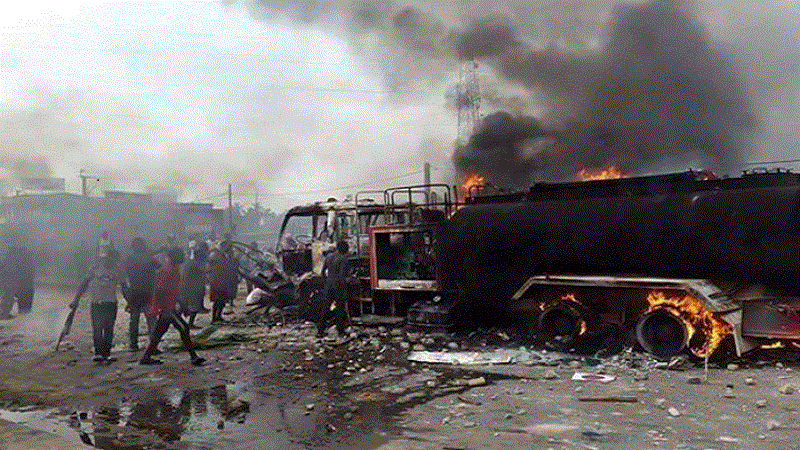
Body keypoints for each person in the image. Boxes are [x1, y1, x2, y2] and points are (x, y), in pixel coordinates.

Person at [140, 247, 204, 366]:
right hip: (168, 308)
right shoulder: (169, 270)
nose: (183, 257)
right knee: (184, 328)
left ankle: (146, 357)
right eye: (180, 255)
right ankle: (193, 357)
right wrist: (165, 308)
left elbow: (171, 291)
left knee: (160, 332)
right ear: (174, 257)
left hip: (168, 307)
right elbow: (161, 290)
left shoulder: (171, 269)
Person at [72, 249, 126, 365]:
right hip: (98, 303)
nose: (113, 262)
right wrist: (75, 300)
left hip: (109, 303)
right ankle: (99, 353)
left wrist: (130, 302)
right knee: (99, 328)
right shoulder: (95, 269)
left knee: (107, 329)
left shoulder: (117, 270)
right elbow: (84, 284)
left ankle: (105, 353)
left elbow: (124, 287)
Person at [123, 237, 159, 351]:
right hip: (148, 292)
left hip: (134, 293)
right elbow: (159, 267)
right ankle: (153, 345)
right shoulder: (149, 258)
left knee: (134, 319)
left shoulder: (129, 259)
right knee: (151, 319)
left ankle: (133, 344)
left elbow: (125, 276)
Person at [317, 240, 351, 337]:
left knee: (325, 307)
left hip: (329, 285)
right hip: (338, 286)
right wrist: (347, 282)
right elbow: (342, 275)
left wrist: (327, 282)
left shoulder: (328, 257)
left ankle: (320, 330)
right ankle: (340, 330)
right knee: (339, 308)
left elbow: (322, 273)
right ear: (344, 249)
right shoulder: (343, 258)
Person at [180, 240, 208, 329]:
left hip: (190, 288)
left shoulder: (191, 263)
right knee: (194, 307)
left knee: (187, 306)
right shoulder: (194, 264)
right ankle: (189, 324)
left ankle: (183, 322)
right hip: (191, 288)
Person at [208, 241, 237, 323]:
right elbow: (212, 266)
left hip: (223, 280)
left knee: (222, 300)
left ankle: (219, 316)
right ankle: (214, 318)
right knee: (217, 300)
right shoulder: (216, 255)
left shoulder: (225, 255)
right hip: (217, 280)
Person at [12, 245, 35, 315]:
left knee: (22, 297)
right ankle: (26, 311)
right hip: (27, 284)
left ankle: (23, 311)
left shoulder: (18, 261)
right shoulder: (29, 261)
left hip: (23, 284)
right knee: (27, 297)